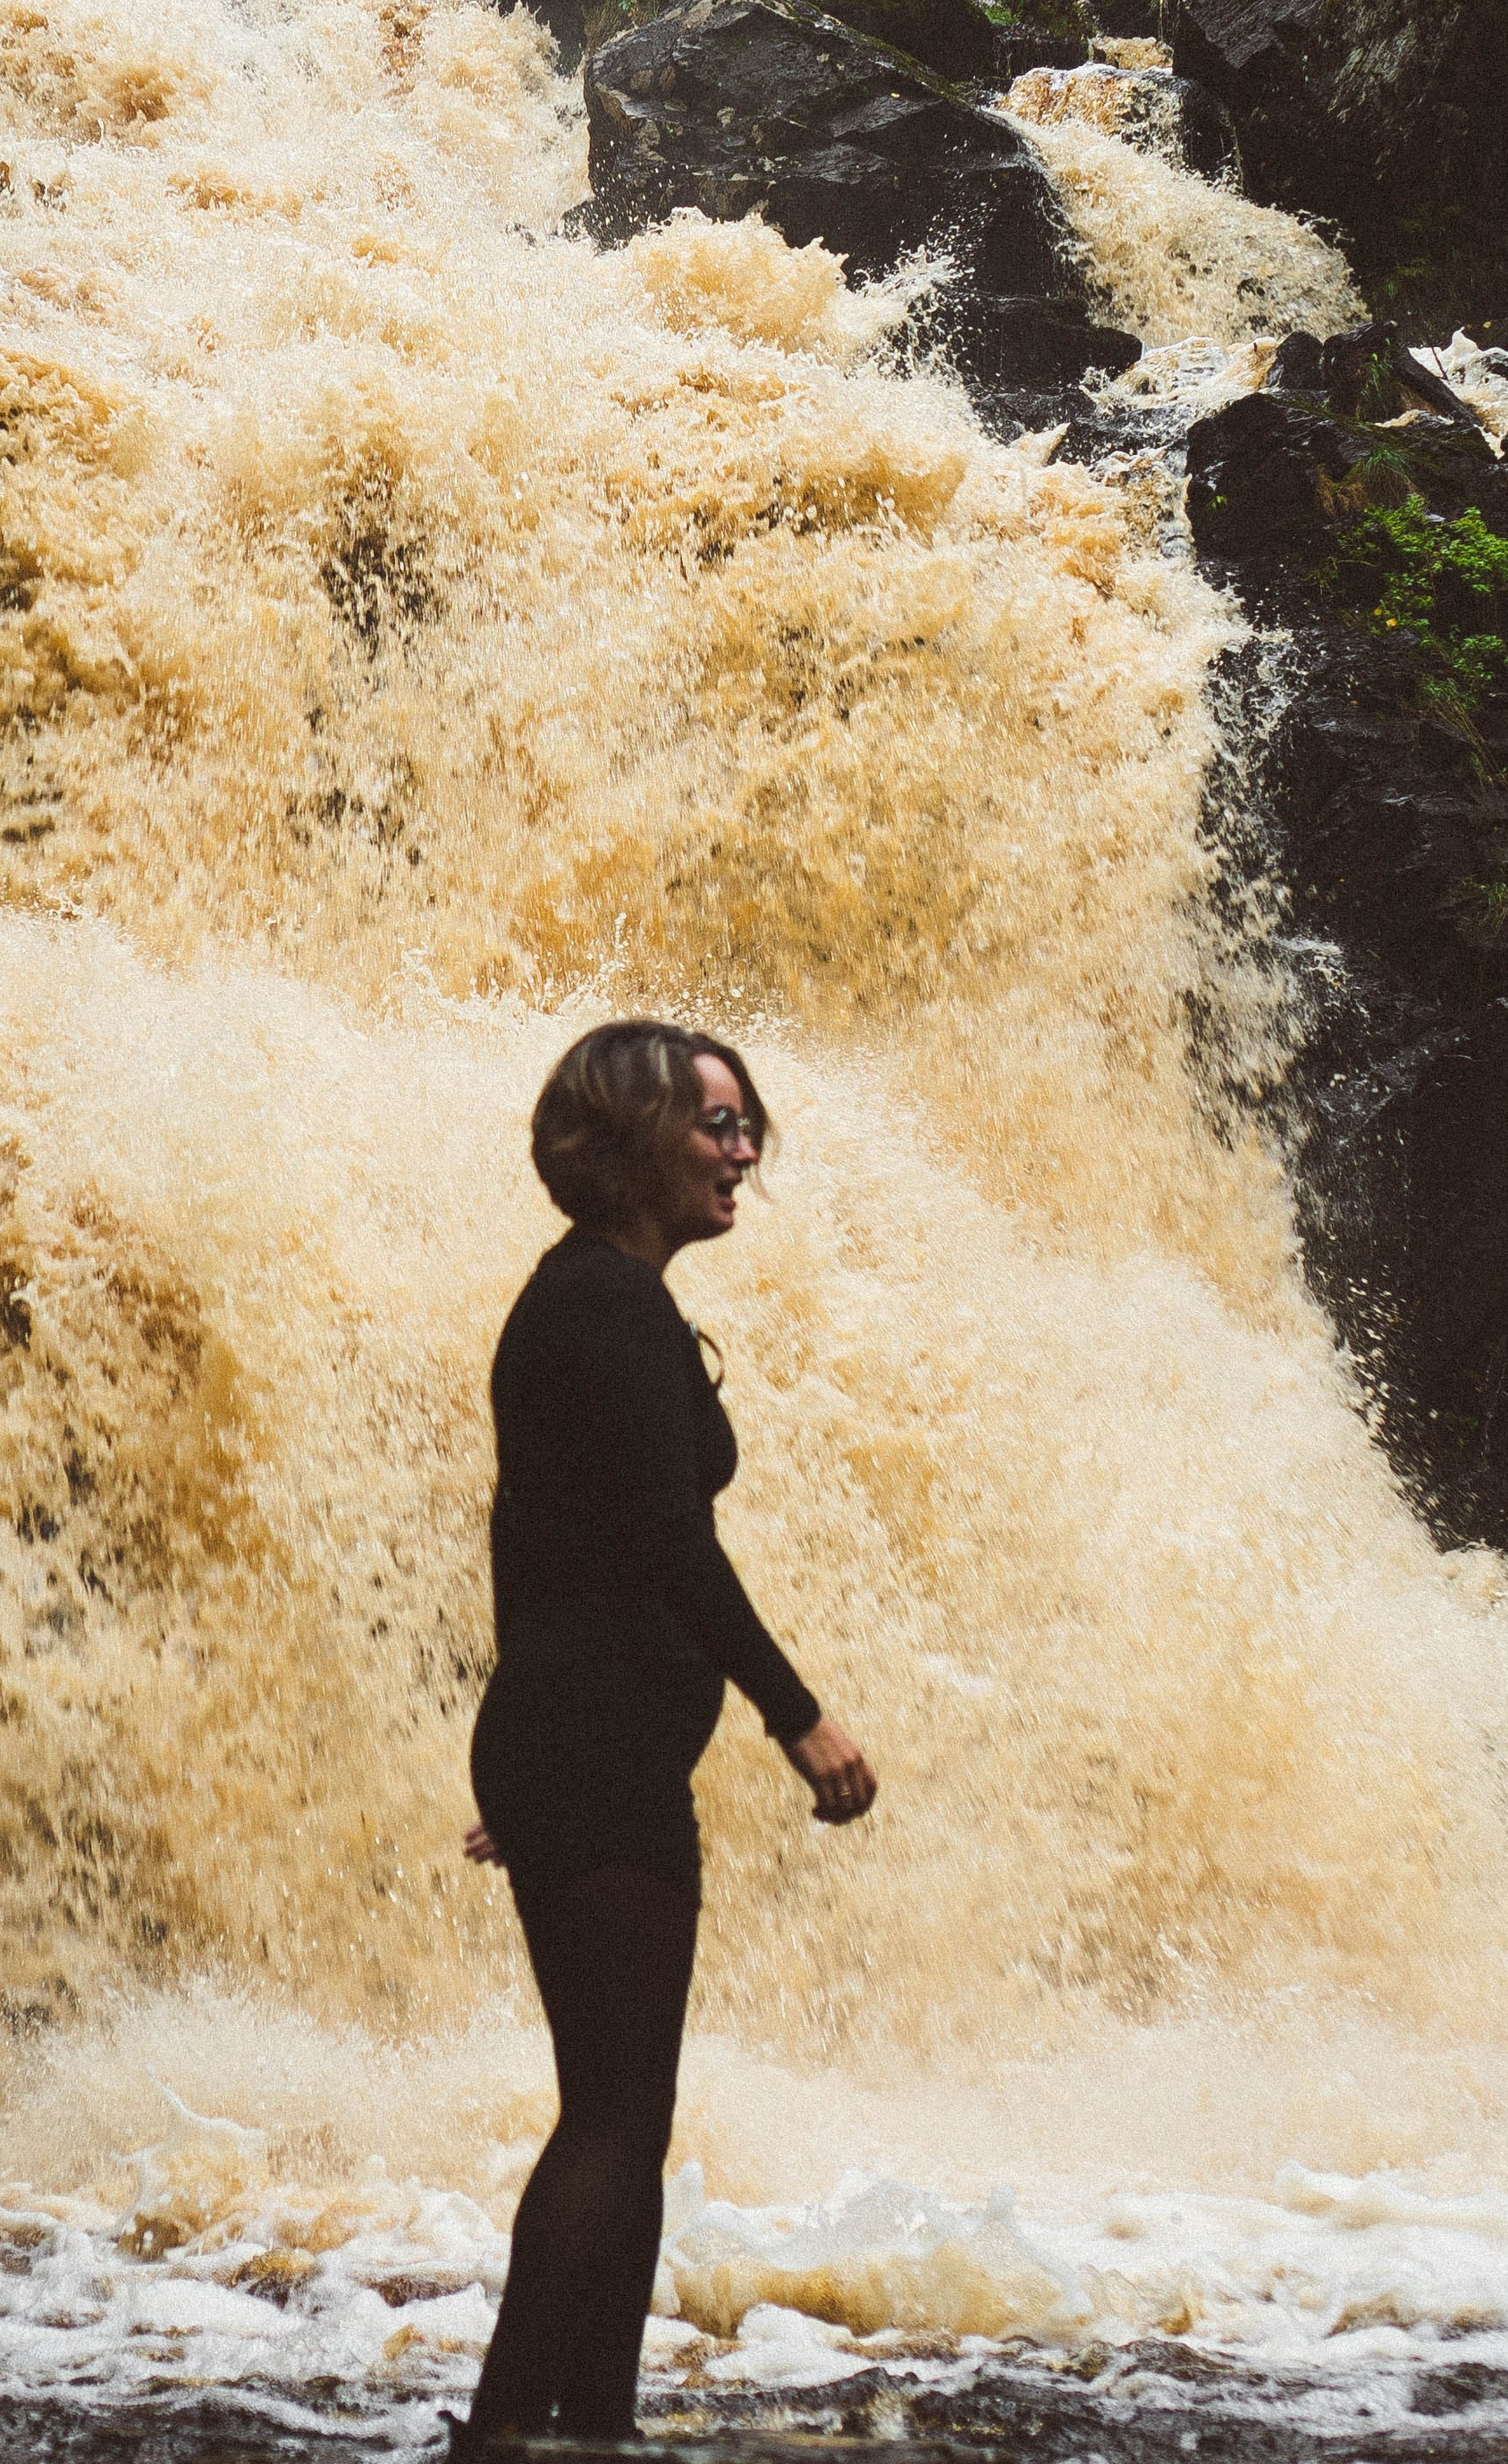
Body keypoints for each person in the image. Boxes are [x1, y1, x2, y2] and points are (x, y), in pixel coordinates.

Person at [455, 1020, 876, 2451]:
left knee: (627, 2109)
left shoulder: (596, 1301)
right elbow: (669, 1544)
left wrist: (526, 1747)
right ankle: (508, 2434)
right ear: (636, 1139)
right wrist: (797, 1716)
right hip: (590, 1743)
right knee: (614, 2114)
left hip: (582, 1742)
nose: (743, 1149)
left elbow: (531, 1529)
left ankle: (592, 2428)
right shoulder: (605, 1304)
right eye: (716, 1123)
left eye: (749, 1123)